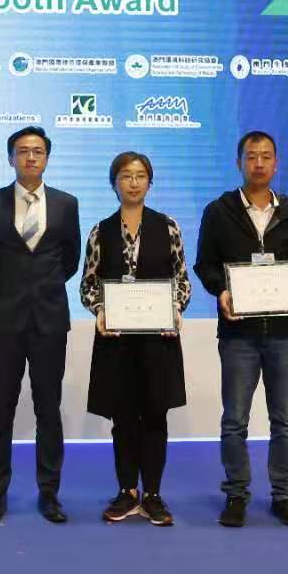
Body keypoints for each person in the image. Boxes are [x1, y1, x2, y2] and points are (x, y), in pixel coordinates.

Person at [195, 130, 288, 529]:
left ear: (276, 164)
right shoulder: (219, 212)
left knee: (285, 419)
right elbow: (205, 264)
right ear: (239, 163)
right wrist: (221, 290)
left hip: (284, 333)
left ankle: (284, 496)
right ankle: (236, 494)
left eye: (266, 156)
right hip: (238, 335)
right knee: (235, 420)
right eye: (251, 156)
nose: (259, 163)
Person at [0, 126, 81, 525]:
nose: (30, 157)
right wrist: (2, 285)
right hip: (4, 319)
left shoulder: (66, 203)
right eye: (23, 151)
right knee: (2, 406)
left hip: (50, 319)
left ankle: (50, 493)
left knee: (49, 407)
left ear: (47, 157)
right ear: (10, 158)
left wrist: (43, 286)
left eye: (38, 151)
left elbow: (71, 259)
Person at [80, 151, 190, 527]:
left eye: (141, 175)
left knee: (155, 415)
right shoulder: (100, 231)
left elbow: (182, 279)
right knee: (123, 416)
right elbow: (88, 284)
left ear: (150, 182)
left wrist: (175, 309)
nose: (133, 182)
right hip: (116, 340)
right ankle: (127, 491)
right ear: (114, 183)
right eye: (126, 175)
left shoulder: (168, 227)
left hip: (159, 338)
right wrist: (100, 310)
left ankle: (153, 494)